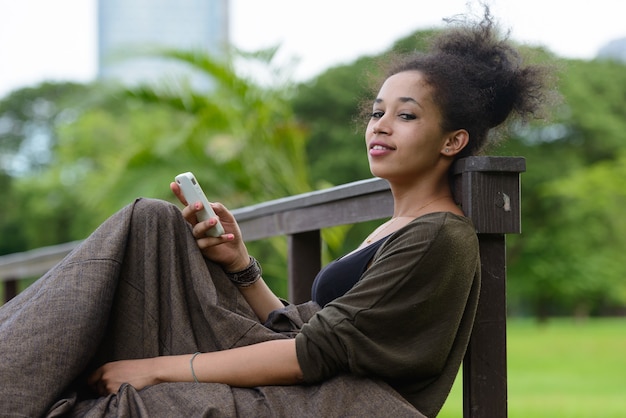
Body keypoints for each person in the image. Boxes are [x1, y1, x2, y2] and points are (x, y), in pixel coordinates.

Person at [0, 8, 551, 418]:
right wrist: (241, 266)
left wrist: (153, 370)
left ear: (453, 141)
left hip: (340, 404)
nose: (379, 125)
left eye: (405, 116)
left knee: (134, 399)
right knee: (155, 225)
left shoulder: (439, 238)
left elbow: (312, 354)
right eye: (378, 111)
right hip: (307, 380)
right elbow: (305, 329)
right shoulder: (391, 229)